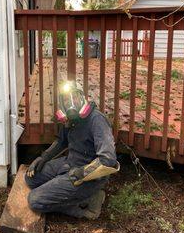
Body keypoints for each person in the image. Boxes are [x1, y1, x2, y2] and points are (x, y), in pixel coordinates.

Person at [25, 80, 119, 219]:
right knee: (30, 178)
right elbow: (61, 141)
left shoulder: (97, 120)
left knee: (35, 200)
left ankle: (87, 205)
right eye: (65, 99)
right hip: (70, 163)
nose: (70, 102)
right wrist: (43, 157)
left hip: (88, 177)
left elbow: (108, 159)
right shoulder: (72, 119)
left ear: (82, 97)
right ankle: (64, 187)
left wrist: (81, 173)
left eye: (74, 96)